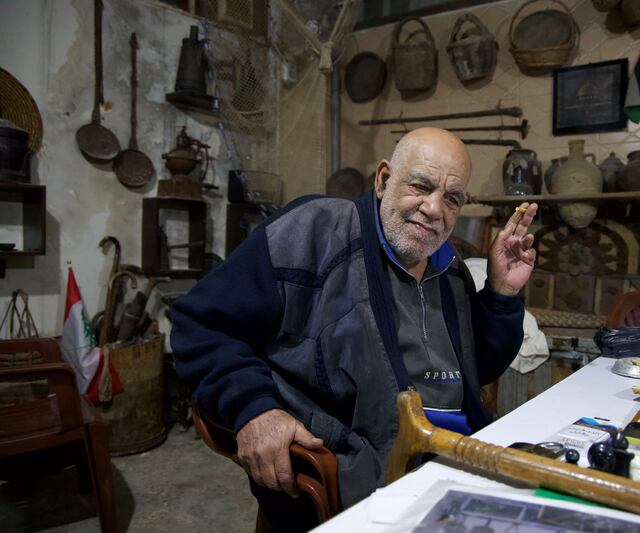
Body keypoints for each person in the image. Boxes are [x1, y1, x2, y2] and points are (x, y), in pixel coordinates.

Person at [170, 127, 537, 529]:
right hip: (376, 472)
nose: (435, 209)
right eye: (421, 186)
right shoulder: (315, 231)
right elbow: (200, 323)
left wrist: (501, 293)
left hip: (461, 455)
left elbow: (475, 370)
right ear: (383, 180)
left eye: (452, 198)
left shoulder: (449, 270)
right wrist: (254, 408)